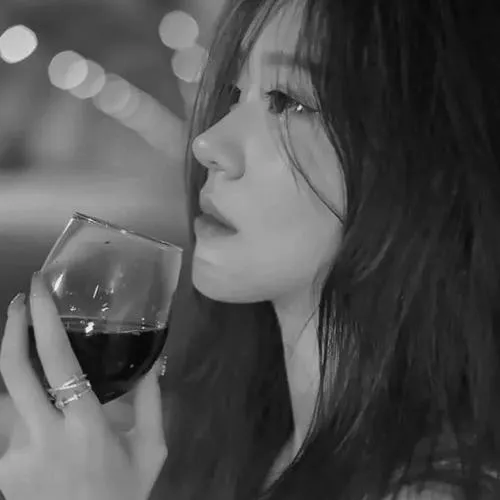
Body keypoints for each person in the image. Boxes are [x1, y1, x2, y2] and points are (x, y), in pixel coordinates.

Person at [1, 0, 500, 499]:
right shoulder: (237, 438)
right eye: (235, 94)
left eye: (288, 100)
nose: (207, 143)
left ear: (432, 161)